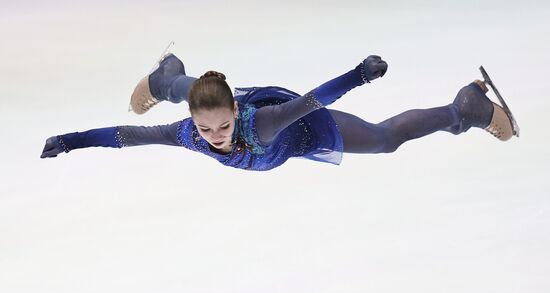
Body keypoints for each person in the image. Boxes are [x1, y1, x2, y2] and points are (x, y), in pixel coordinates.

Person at [40, 51, 517, 171]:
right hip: (227, 101)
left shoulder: (261, 124)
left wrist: (359, 74)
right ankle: (170, 79)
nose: (216, 137)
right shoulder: (189, 131)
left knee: (386, 139)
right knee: (205, 96)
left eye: (223, 126)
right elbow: (127, 135)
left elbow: (314, 101)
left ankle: (464, 109)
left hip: (302, 126)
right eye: (206, 130)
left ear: (236, 113)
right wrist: (69, 141)